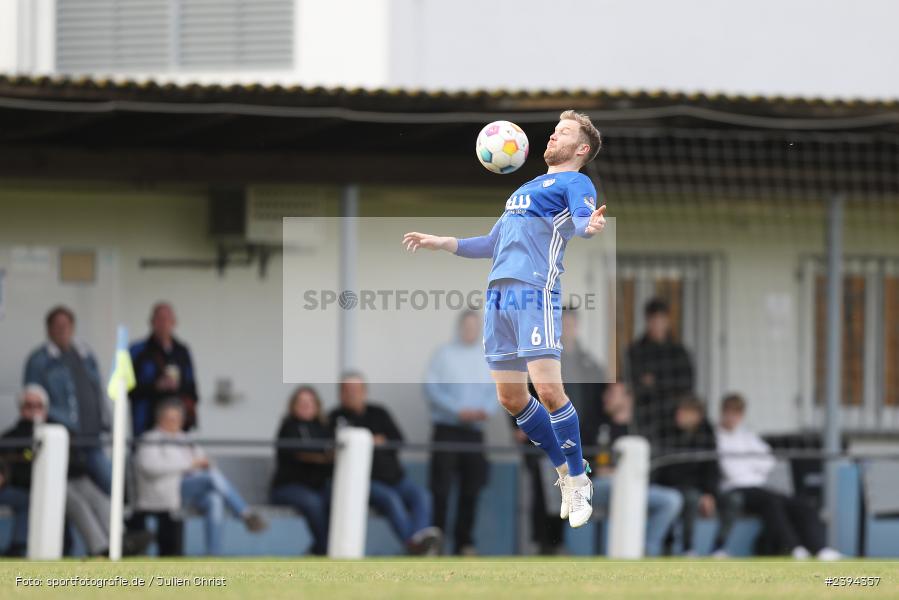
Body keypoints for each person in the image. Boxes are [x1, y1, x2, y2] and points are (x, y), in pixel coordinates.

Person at [403, 110, 607, 528]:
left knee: (548, 390)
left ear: (582, 148)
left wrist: (591, 225)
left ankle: (579, 478)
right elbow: (492, 243)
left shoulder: (576, 183)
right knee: (511, 399)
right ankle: (565, 470)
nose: (553, 137)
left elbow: (582, 222)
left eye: (564, 132)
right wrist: (443, 242)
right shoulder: (524, 189)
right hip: (498, 296)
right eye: (555, 131)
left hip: (534, 292)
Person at [716, 393, 841, 560]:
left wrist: (749, 466)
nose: (733, 417)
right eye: (729, 412)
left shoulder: (747, 435)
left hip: (759, 487)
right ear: (723, 412)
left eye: (737, 413)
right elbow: (732, 471)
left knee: (801, 504)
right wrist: (753, 465)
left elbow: (769, 460)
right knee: (772, 502)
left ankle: (820, 549)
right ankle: (794, 548)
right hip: (735, 489)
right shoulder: (716, 437)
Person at [134, 399, 267, 556]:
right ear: (160, 419)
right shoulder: (150, 438)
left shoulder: (186, 439)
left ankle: (213, 554)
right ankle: (245, 513)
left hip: (194, 488)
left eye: (177, 419)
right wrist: (190, 465)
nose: (174, 423)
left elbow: (206, 461)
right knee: (211, 477)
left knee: (214, 499)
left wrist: (205, 464)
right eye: (170, 419)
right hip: (168, 489)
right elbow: (149, 467)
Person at [329, 372, 442, 555]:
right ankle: (415, 545)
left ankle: (418, 542)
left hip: (395, 479)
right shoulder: (334, 418)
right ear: (340, 393)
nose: (352, 394)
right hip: (366, 483)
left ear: (364, 392)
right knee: (391, 500)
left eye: (356, 389)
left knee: (422, 496)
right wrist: (369, 441)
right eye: (347, 390)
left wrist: (381, 442)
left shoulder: (379, 413)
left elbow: (399, 441)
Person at [424, 310, 496, 556]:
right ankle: (437, 543)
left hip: (474, 433)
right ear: (459, 327)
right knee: (441, 490)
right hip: (447, 430)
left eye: (475, 326)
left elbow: (497, 390)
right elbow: (431, 389)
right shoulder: (443, 355)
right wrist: (457, 411)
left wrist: (484, 411)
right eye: (467, 326)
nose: (470, 330)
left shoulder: (488, 357)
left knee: (472, 489)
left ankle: (464, 543)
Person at [23, 306, 112, 494]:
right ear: (48, 329)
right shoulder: (39, 360)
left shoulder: (85, 354)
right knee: (66, 489)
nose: (63, 330)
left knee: (109, 483)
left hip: (92, 436)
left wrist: (105, 420)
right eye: (57, 325)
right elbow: (32, 400)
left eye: (66, 325)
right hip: (65, 438)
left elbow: (98, 391)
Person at [592, 383, 683, 557]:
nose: (605, 397)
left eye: (612, 393)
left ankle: (647, 551)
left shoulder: (643, 431)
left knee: (672, 500)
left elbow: (648, 469)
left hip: (635, 486)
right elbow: (595, 468)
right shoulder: (596, 427)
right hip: (598, 486)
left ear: (628, 399)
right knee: (616, 486)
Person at [652, 395, 719, 556]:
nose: (679, 414)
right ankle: (668, 546)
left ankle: (688, 549)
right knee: (676, 499)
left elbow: (711, 468)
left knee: (692, 498)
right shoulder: (667, 432)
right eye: (679, 410)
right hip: (667, 485)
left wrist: (709, 493)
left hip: (693, 488)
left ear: (697, 416)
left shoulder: (707, 436)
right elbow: (664, 470)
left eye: (684, 411)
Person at [270, 386, 333, 556]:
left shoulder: (324, 428)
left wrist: (323, 458)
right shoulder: (288, 427)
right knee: (313, 502)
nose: (306, 406)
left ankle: (322, 548)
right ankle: (324, 550)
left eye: (310, 402)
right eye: (301, 402)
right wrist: (322, 457)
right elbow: (299, 454)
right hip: (288, 488)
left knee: (338, 499)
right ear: (293, 405)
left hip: (318, 487)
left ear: (317, 405)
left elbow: (332, 455)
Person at [626, 298, 695, 445]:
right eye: (653, 320)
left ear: (667, 321)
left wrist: (655, 383)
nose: (657, 325)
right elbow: (633, 385)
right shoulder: (636, 351)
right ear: (647, 322)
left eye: (661, 320)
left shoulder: (679, 352)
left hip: (674, 419)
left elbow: (686, 385)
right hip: (646, 416)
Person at [130, 302, 199, 437]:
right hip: (146, 424)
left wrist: (177, 386)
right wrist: (156, 386)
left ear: (174, 322)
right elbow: (128, 390)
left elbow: (193, 390)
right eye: (160, 319)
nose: (164, 324)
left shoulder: (182, 351)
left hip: (178, 426)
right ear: (152, 322)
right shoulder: (138, 351)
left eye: (167, 319)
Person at [0, 385, 47, 556]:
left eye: (38, 405)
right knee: (27, 500)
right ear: (21, 409)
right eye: (28, 405)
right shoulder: (10, 437)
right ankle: (18, 547)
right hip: (11, 488)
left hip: (39, 490)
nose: (34, 410)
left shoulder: (54, 433)